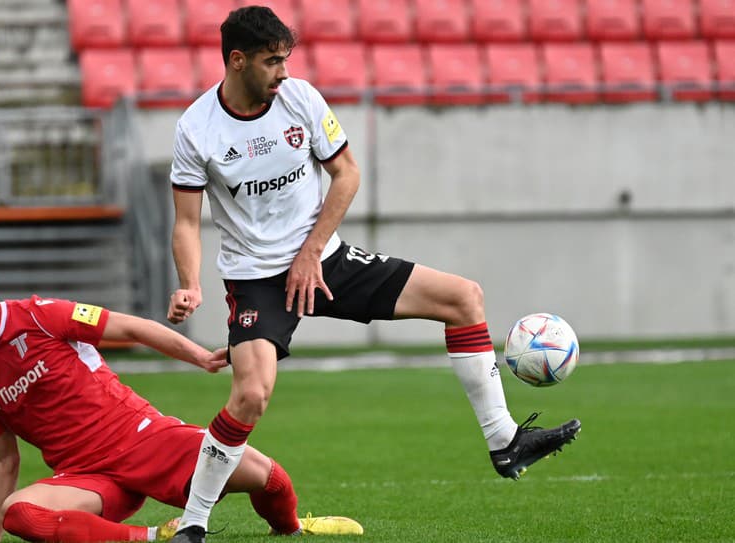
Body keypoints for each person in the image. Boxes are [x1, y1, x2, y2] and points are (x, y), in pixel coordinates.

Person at [165, 6, 582, 542]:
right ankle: (194, 523)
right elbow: (186, 221)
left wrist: (313, 251)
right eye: (272, 62)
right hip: (256, 279)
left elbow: (346, 174)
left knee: (464, 299)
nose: (284, 72)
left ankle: (504, 439)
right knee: (251, 394)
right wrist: (191, 282)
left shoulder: (301, 99)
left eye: (286, 60)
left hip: (326, 259)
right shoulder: (196, 129)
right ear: (238, 60)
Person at [0, 252, 364, 543]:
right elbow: (3, 460)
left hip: (144, 439)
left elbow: (131, 327)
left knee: (270, 478)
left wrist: (199, 357)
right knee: (20, 514)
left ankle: (291, 527)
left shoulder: (40, 315)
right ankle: (153, 535)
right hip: (87, 477)